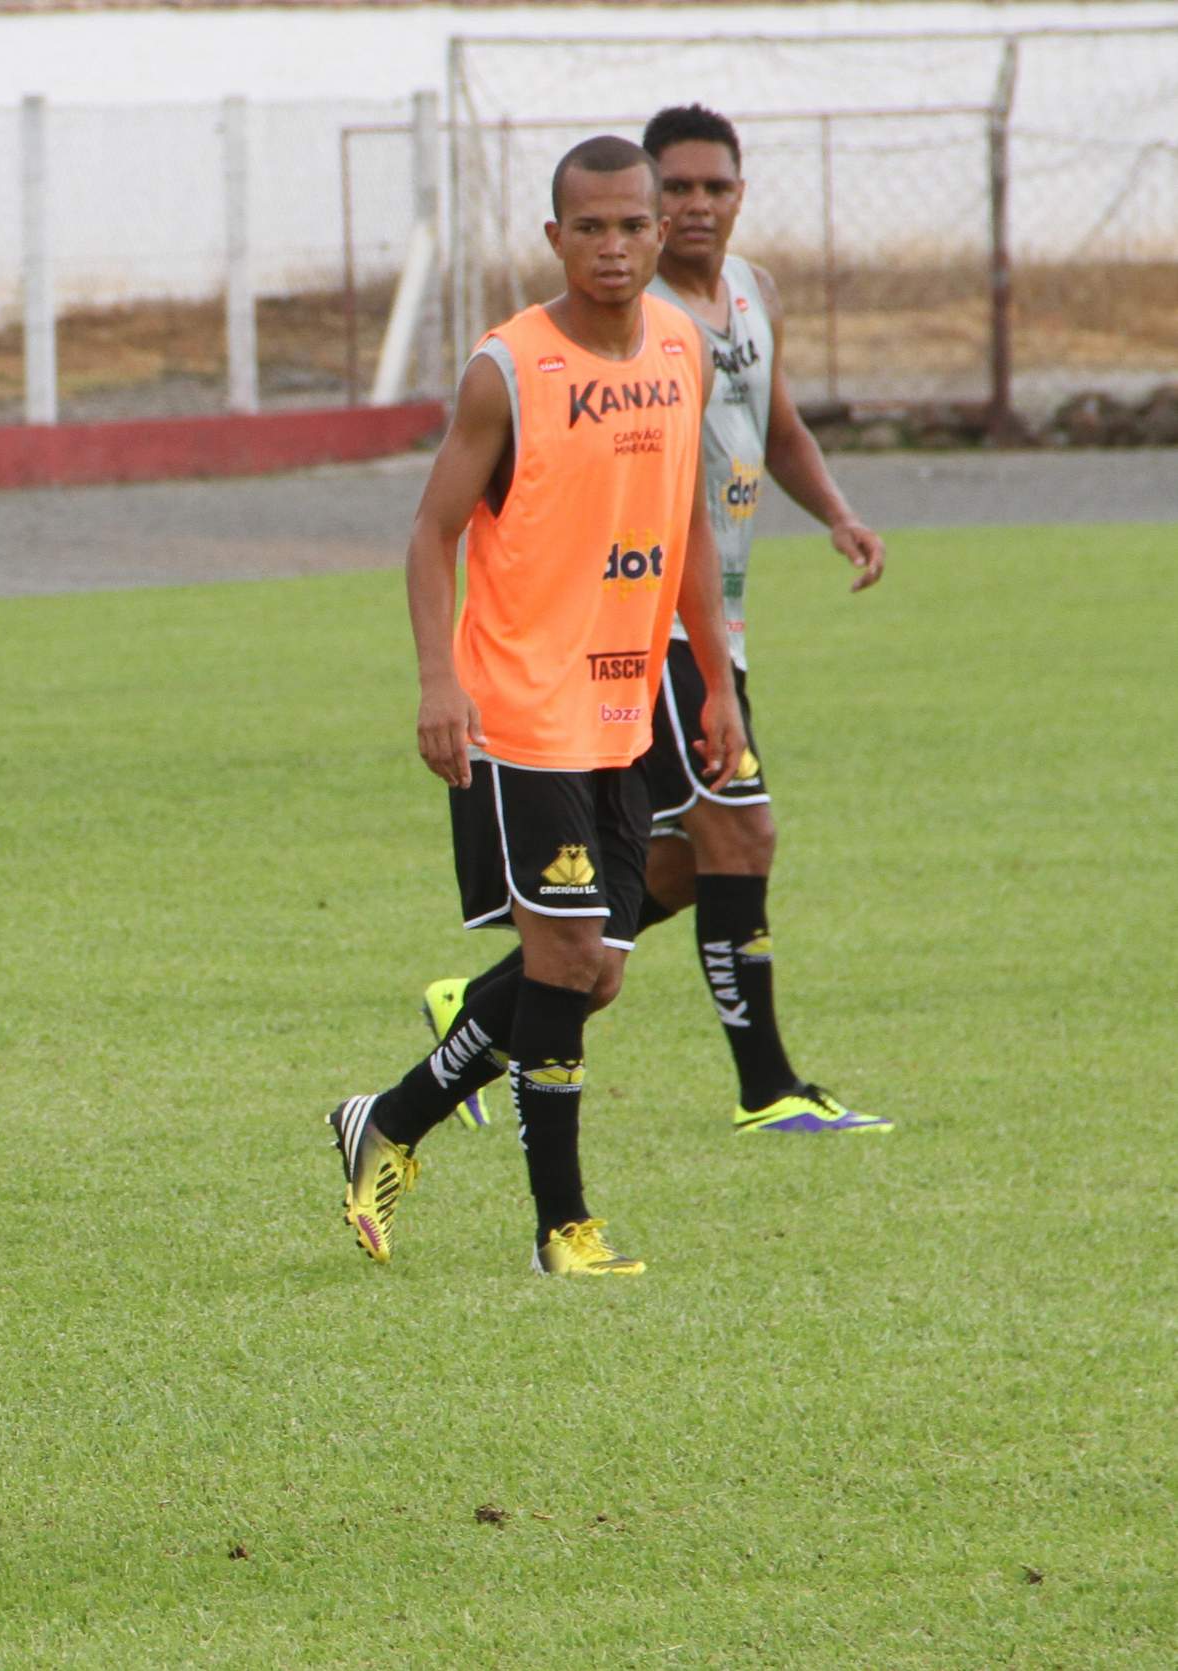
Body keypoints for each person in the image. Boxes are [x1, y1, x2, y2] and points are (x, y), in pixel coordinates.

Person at [422, 106, 894, 1138]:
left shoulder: (744, 300)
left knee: (676, 869)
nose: (688, 209)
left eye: (708, 189)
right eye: (669, 191)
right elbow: (448, 521)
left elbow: (777, 430)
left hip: (708, 619)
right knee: (742, 832)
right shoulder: (606, 326)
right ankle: (764, 1085)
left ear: (736, 193)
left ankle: (494, 1000)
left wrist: (840, 515)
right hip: (637, 639)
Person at [325, 136, 743, 1277]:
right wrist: (435, 681)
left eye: (632, 225)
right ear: (554, 237)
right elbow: (430, 530)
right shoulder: (508, 368)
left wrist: (713, 686)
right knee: (563, 961)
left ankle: (394, 1119)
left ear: (664, 234)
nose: (613, 247)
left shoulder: (680, 348)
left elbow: (690, 525)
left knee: (595, 970)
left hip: (625, 706)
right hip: (517, 707)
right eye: (589, 228)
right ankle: (563, 1229)